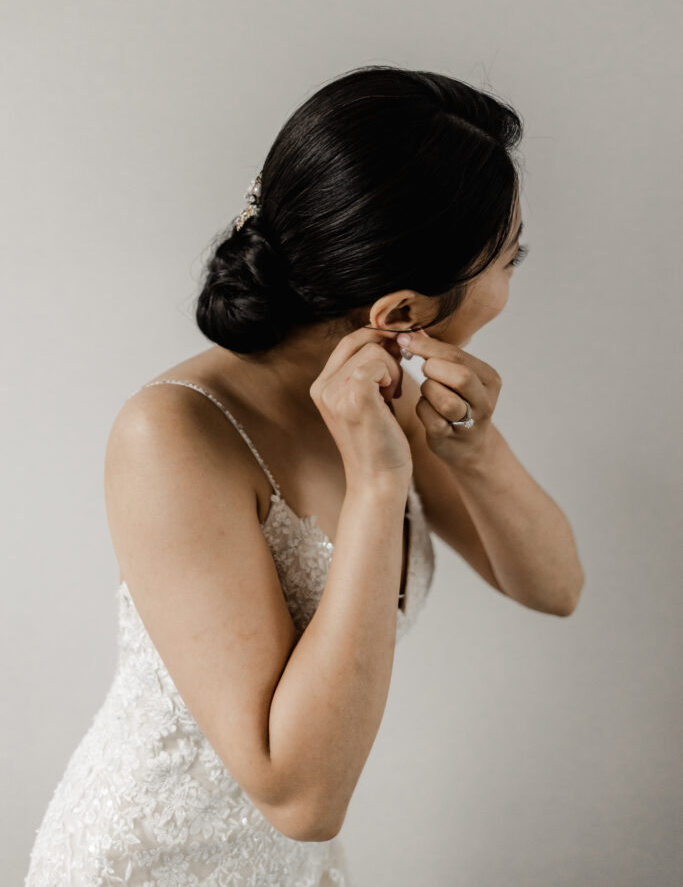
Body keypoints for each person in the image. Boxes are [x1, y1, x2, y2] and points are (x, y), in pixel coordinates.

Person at [24, 64, 583, 886]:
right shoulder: (173, 432)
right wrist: (377, 489)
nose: (509, 283)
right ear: (400, 313)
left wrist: (474, 447)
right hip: (146, 866)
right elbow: (301, 798)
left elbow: (553, 586)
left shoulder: (383, 397)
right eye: (509, 257)